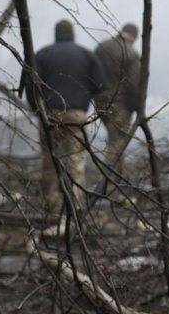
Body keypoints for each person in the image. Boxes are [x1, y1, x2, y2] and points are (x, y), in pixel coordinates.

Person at [32, 19, 107, 218]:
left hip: (50, 113)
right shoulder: (86, 54)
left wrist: (37, 109)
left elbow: (32, 83)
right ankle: (75, 204)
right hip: (76, 113)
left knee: (50, 158)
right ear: (73, 34)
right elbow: (100, 84)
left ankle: (49, 202)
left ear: (56, 34)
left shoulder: (43, 54)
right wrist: (84, 95)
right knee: (76, 160)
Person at [94, 22, 142, 200]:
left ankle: (119, 188)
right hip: (120, 105)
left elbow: (91, 73)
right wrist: (134, 107)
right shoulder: (131, 53)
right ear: (134, 36)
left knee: (117, 142)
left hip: (100, 101)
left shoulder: (102, 47)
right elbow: (133, 83)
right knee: (117, 143)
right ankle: (104, 185)